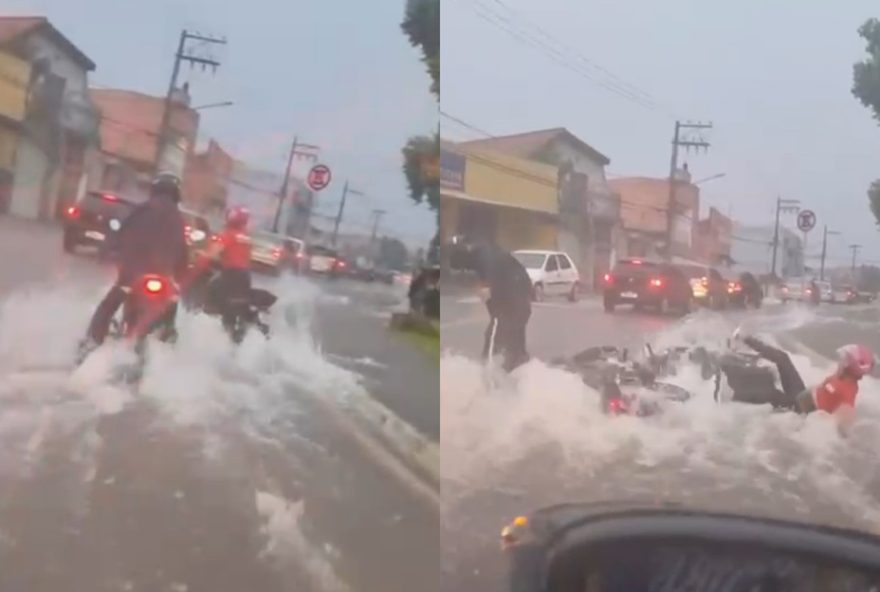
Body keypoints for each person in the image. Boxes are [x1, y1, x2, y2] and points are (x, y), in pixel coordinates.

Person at [80, 172, 188, 355]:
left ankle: (90, 344)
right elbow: (183, 253)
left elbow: (120, 235)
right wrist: (179, 275)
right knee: (171, 305)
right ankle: (166, 345)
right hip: (163, 276)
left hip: (133, 274)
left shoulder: (142, 209)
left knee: (108, 306)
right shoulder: (179, 219)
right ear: (176, 194)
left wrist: (109, 252)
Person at [727, 329, 875, 432]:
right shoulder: (842, 375)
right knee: (783, 358)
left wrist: (824, 422)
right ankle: (743, 338)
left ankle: (728, 397)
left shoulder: (848, 390)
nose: (841, 360)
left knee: (771, 394)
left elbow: (845, 421)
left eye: (845, 359)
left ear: (851, 367)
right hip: (801, 394)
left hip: (797, 409)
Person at [468, 241, 533, 372]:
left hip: (513, 304)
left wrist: (495, 310)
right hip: (520, 305)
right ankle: (518, 364)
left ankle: (492, 368)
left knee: (496, 336)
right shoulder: (502, 261)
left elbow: (494, 297)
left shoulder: (490, 265)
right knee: (514, 338)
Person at [195, 205, 253, 333]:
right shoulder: (246, 237)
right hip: (245, 277)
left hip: (231, 275)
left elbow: (214, 252)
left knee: (211, 288)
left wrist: (201, 254)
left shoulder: (229, 235)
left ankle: (208, 315)